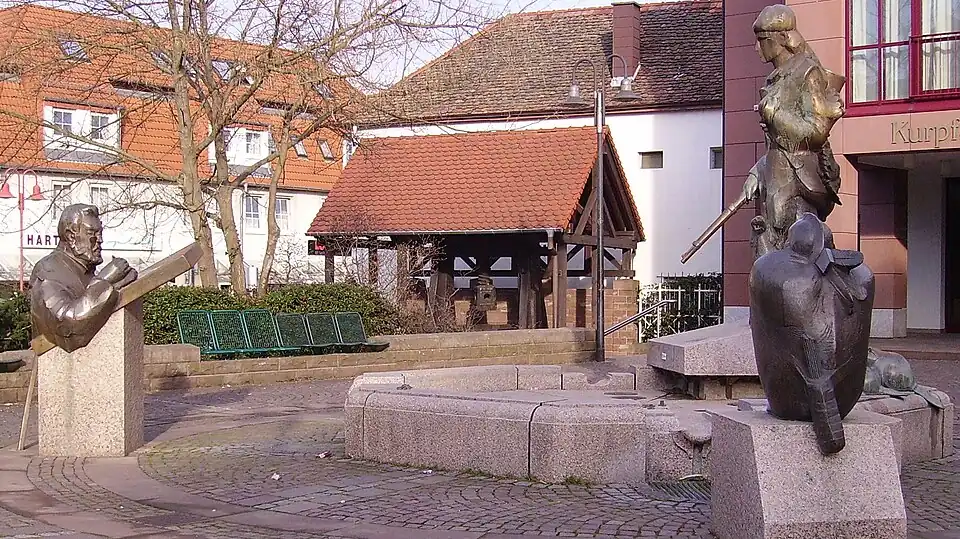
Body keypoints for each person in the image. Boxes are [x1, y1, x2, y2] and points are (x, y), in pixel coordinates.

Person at [743, 4, 845, 258]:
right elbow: (776, 145)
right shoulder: (775, 78)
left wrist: (775, 115)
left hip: (798, 183)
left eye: (762, 40)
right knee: (769, 255)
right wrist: (758, 171)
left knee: (800, 256)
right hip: (776, 181)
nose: (757, 47)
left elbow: (817, 131)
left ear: (782, 37)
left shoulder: (807, 72)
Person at [29, 203, 138, 352]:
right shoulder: (48, 271)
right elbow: (67, 327)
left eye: (100, 233)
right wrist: (105, 281)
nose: (100, 240)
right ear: (71, 236)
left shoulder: (84, 269)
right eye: (92, 233)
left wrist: (120, 282)